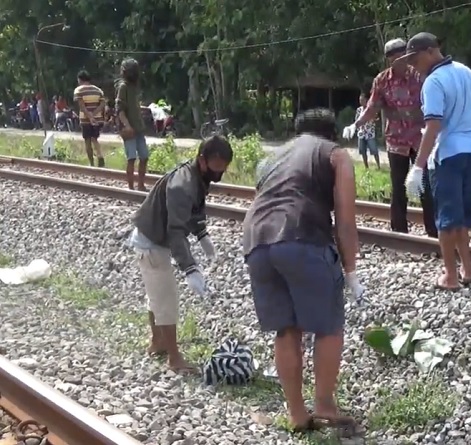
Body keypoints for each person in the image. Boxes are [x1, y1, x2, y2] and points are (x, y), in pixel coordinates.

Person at [243, 108, 365, 433]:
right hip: (301, 236)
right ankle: (324, 403)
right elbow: (346, 221)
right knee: (327, 325)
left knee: (286, 328)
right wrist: (350, 271)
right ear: (332, 133)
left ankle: (297, 414)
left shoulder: (274, 157)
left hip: (255, 241)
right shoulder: (335, 155)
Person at [399, 32, 471, 290]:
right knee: (461, 218)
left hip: (447, 155)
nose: (413, 66)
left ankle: (450, 276)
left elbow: (433, 126)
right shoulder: (465, 71)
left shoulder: (433, 82)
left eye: (415, 60)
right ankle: (467, 270)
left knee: (446, 220)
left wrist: (418, 166)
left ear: (429, 52)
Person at [128, 135, 233, 372]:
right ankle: (174, 359)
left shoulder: (197, 176)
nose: (217, 176)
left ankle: (158, 342)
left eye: (222, 171)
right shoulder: (182, 185)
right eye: (215, 170)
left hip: (153, 236)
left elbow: (193, 210)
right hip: (152, 241)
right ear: (202, 160)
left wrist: (201, 234)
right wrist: (190, 268)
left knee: (156, 294)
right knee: (166, 299)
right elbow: (175, 232)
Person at [343, 38, 438, 238]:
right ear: (389, 60)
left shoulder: (420, 76)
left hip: (421, 139)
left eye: (402, 56)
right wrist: (356, 125)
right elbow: (372, 108)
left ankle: (433, 231)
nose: (400, 61)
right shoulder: (382, 80)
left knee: (426, 186)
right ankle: (399, 231)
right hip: (397, 141)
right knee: (398, 186)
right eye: (394, 58)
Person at [116, 58, 149, 190]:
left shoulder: (134, 87)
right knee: (131, 158)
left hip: (138, 128)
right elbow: (120, 110)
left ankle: (140, 184)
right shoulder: (123, 87)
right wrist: (127, 126)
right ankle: (131, 187)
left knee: (144, 156)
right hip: (129, 128)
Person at [74, 70, 106, 167]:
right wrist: (94, 115)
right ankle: (100, 156)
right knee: (94, 138)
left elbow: (81, 106)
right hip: (98, 119)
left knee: (87, 140)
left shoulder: (79, 90)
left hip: (85, 120)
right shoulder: (98, 90)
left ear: (80, 79)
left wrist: (89, 116)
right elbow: (102, 104)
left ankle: (91, 163)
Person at [354, 92, 380, 169]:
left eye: (362, 100)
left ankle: (378, 166)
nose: (361, 101)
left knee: (374, 150)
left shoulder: (371, 109)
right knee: (362, 151)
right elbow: (356, 120)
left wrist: (374, 120)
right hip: (361, 133)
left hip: (370, 133)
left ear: (366, 100)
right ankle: (366, 167)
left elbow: (376, 118)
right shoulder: (358, 110)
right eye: (360, 100)